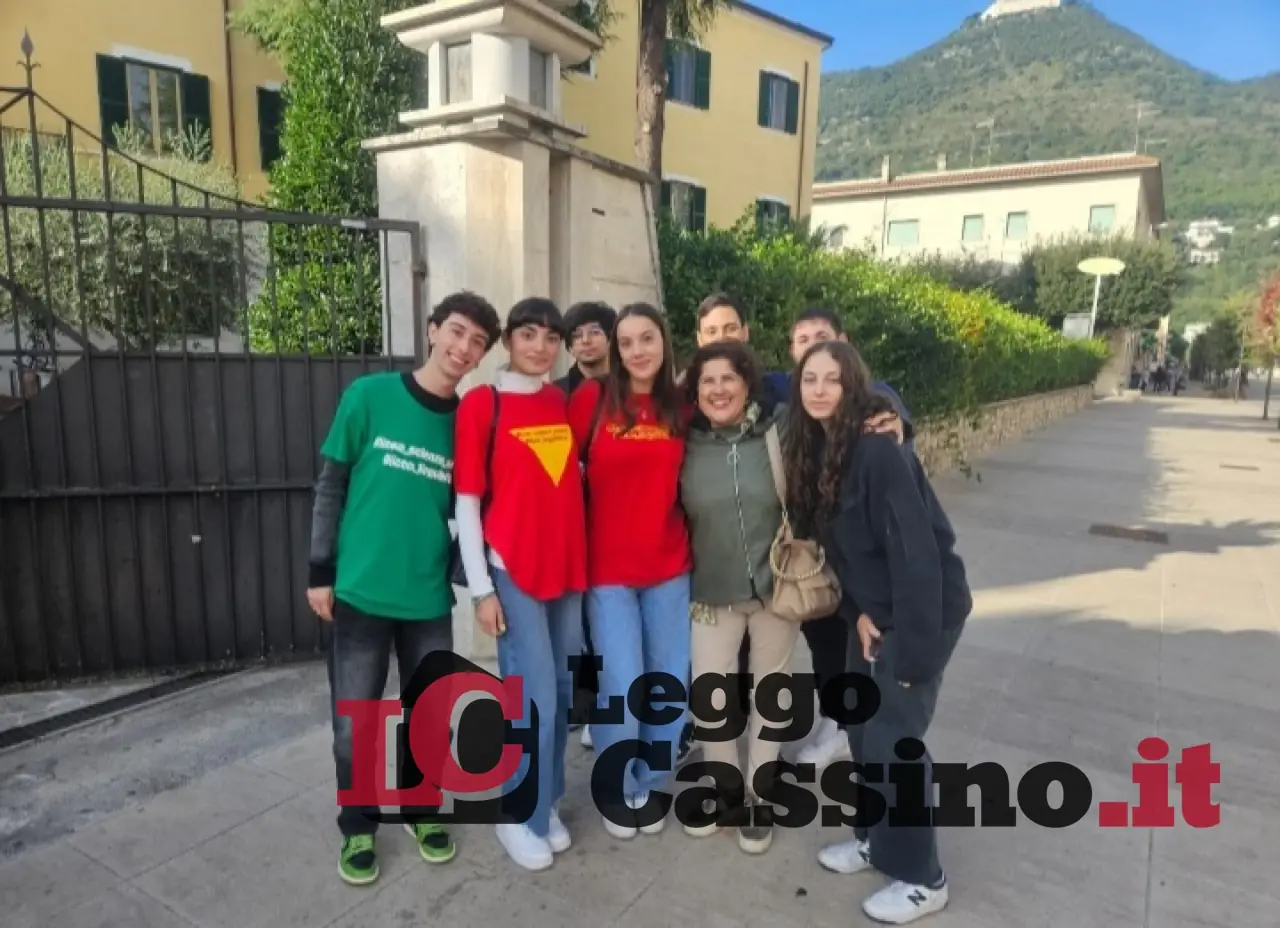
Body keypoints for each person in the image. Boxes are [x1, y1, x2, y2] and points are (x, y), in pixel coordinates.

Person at [307, 290, 502, 886]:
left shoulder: (469, 422)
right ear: (433, 329)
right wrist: (319, 569)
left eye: (477, 342)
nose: (463, 348)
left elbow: (479, 507)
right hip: (360, 591)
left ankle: (422, 810)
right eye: (457, 332)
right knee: (354, 722)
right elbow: (331, 486)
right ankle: (358, 825)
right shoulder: (368, 396)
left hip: (426, 599)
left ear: (481, 357)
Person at [786, 339, 971, 925]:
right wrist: (861, 611)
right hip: (873, 615)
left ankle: (923, 879)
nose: (819, 389)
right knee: (864, 735)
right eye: (809, 378)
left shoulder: (877, 454)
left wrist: (913, 653)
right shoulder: (823, 450)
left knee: (895, 743)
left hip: (918, 614)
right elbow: (848, 553)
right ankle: (874, 840)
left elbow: (917, 556)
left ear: (854, 386)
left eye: (832, 379)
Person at [455, 297, 588, 872]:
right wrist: (482, 589)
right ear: (508, 340)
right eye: (528, 334)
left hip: (567, 569)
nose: (541, 346)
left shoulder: (558, 401)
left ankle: (544, 801)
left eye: (551, 337)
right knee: (532, 697)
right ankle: (517, 811)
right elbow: (466, 502)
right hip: (513, 571)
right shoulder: (481, 404)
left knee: (558, 692)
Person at [568, 302, 692, 840]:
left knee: (668, 685)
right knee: (622, 683)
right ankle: (617, 785)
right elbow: (556, 473)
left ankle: (650, 778)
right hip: (608, 572)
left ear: (664, 343)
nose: (637, 351)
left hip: (670, 567)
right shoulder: (593, 400)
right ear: (616, 351)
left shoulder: (682, 406)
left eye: (647, 339)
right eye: (626, 342)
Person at [770, 307, 913, 771]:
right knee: (825, 643)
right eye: (802, 339)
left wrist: (899, 422)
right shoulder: (787, 395)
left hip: (859, 555)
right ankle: (839, 720)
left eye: (822, 335)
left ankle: (852, 729)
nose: (812, 344)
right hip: (814, 555)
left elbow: (888, 406)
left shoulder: (871, 402)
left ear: (844, 343)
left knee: (856, 645)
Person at [678, 339, 797, 855]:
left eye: (728, 377)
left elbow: (842, 407)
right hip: (711, 590)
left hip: (777, 588)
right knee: (711, 696)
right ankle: (726, 790)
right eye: (707, 381)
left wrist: (893, 415)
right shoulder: (685, 441)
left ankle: (760, 794)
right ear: (695, 392)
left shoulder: (779, 429)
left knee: (770, 692)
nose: (718, 389)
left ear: (748, 383)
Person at [555, 301, 618, 749]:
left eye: (594, 331)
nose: (585, 341)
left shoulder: (633, 387)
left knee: (607, 623)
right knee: (574, 623)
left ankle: (607, 705)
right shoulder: (558, 395)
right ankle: (583, 703)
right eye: (575, 335)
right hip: (572, 521)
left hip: (619, 520)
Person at [555, 300, 616, 396]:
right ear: (570, 348)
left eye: (594, 332)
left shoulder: (629, 386)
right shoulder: (558, 393)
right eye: (577, 335)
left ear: (610, 339)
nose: (586, 340)